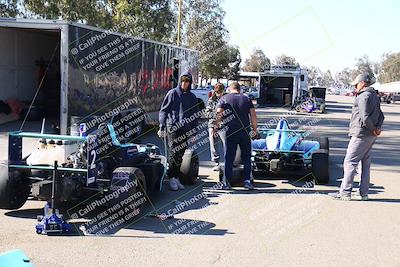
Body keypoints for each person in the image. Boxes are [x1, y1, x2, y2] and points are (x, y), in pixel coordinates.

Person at [329, 73, 384, 201]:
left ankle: (345, 192)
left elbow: (364, 117)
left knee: (350, 162)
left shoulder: (363, 96)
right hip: (371, 135)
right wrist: (377, 128)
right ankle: (363, 193)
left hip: (361, 134)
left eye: (356, 84)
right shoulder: (375, 96)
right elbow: (381, 115)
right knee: (365, 163)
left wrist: (373, 129)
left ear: (362, 83)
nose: (355, 87)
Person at [158, 72, 199, 191]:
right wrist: (162, 126)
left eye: (186, 81)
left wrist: (194, 132)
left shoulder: (192, 97)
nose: (184, 83)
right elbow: (164, 110)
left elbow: (194, 115)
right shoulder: (172, 93)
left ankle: (176, 177)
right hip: (173, 127)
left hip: (185, 129)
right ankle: (171, 177)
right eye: (182, 81)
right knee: (174, 153)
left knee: (181, 154)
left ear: (190, 83)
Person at [214, 82, 258, 190]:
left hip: (230, 131)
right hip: (245, 131)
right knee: (246, 157)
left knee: (229, 157)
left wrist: (216, 127)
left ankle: (227, 182)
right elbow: (253, 115)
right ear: (240, 89)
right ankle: (247, 181)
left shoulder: (224, 98)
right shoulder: (247, 99)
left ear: (230, 89)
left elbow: (218, 113)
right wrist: (255, 130)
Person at [204, 83, 227, 171]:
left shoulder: (226, 99)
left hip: (223, 123)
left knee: (226, 143)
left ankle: (227, 161)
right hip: (212, 123)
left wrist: (222, 115)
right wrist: (216, 114)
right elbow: (207, 113)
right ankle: (216, 162)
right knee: (212, 142)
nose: (219, 94)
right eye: (217, 92)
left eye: (220, 92)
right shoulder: (211, 100)